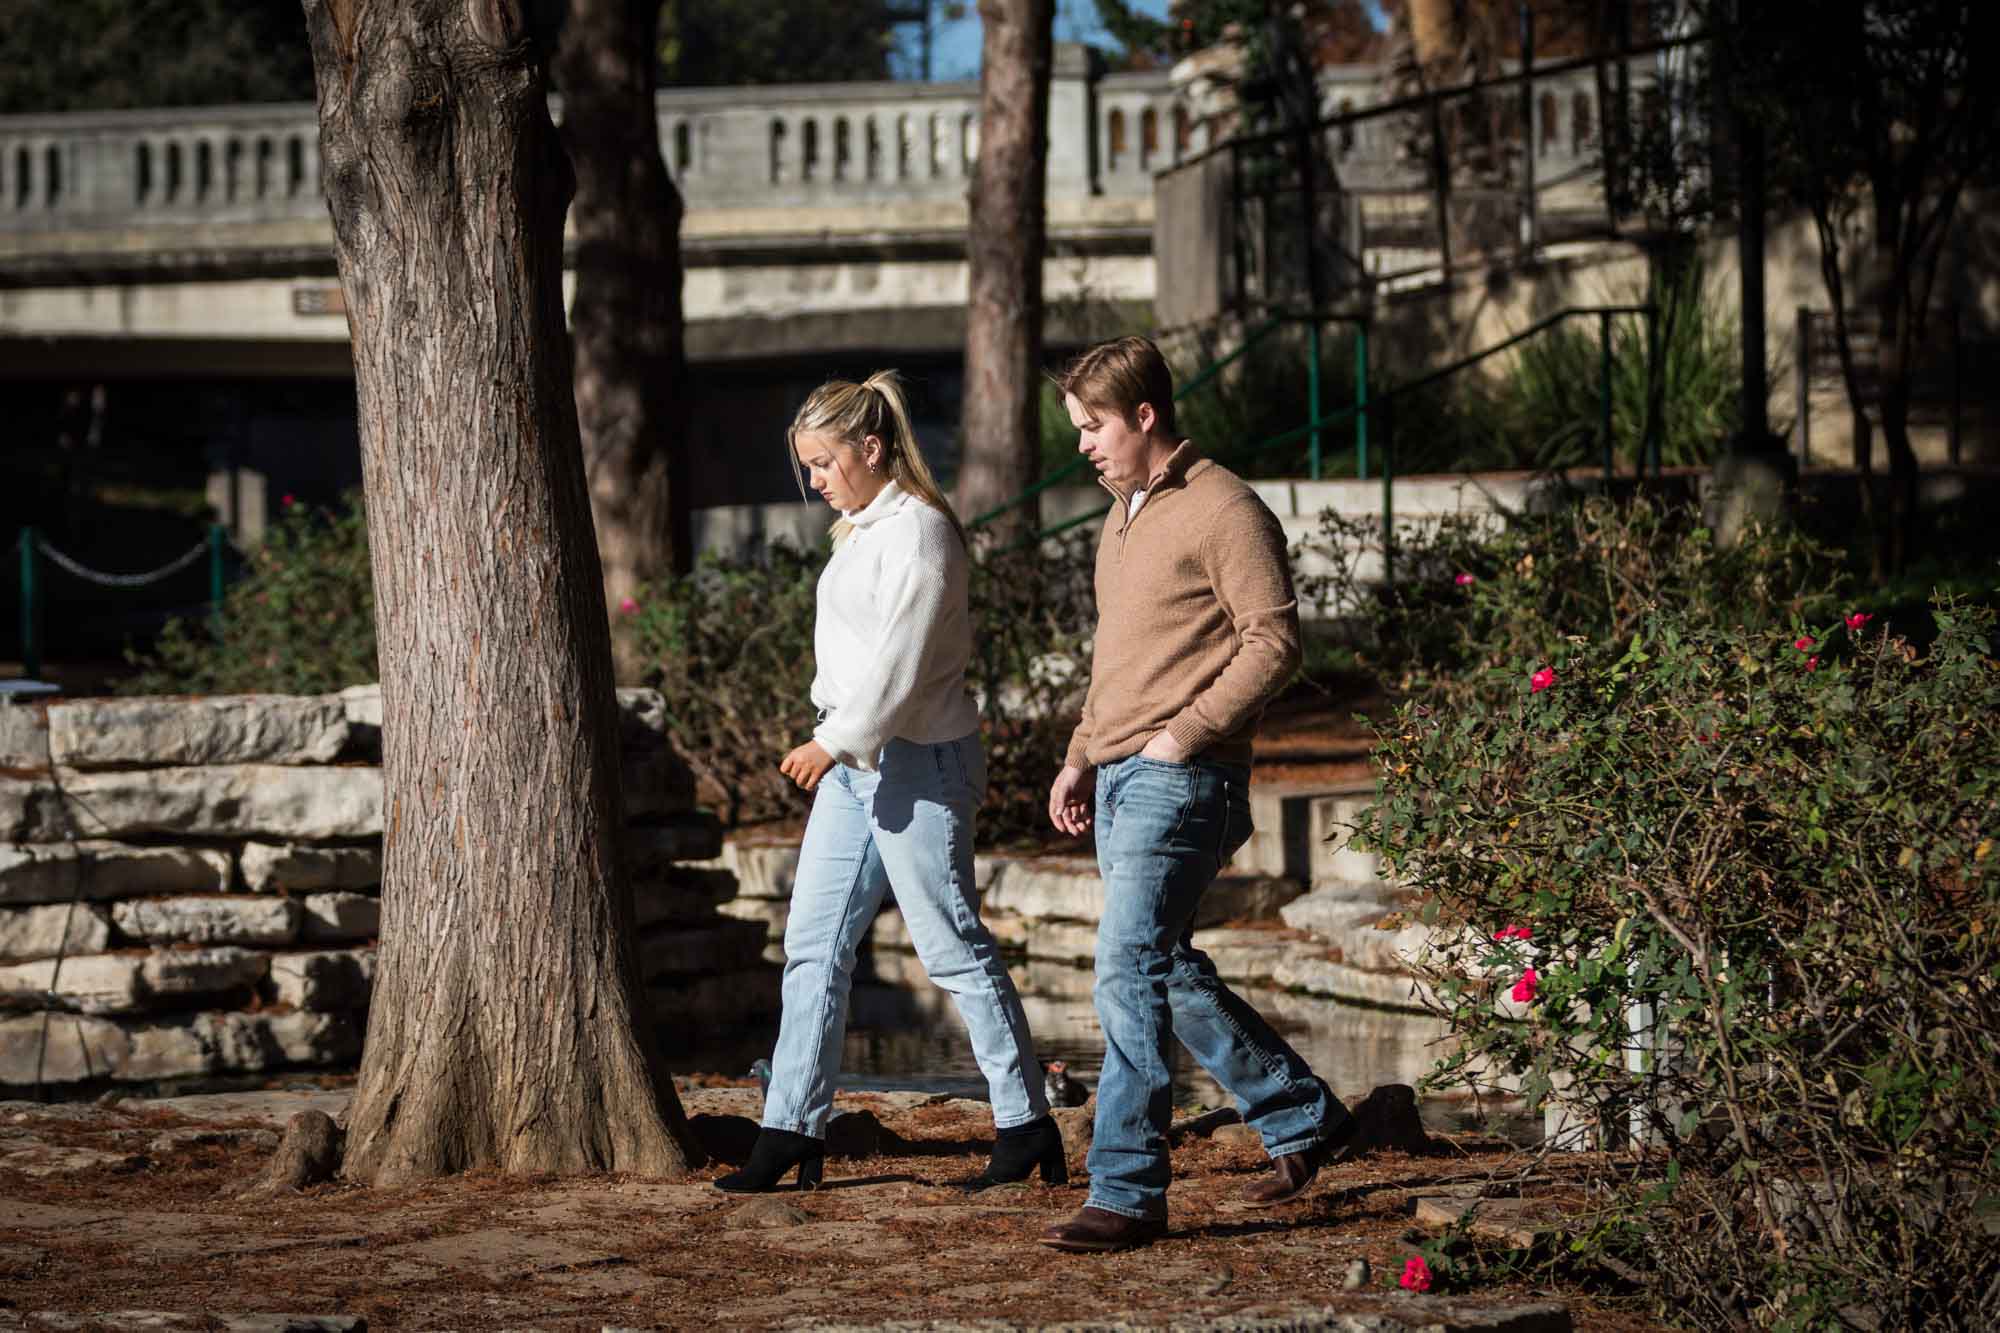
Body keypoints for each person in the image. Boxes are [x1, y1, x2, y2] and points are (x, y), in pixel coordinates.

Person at [1038, 336, 1354, 1252]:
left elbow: (1274, 641)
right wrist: (1079, 753)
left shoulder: (1225, 507)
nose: (1084, 446)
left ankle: (1128, 1189)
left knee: (1124, 968)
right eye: (1076, 430)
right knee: (1160, 965)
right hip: (1123, 772)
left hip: (1185, 777)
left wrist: (1184, 735)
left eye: (1093, 427)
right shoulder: (1122, 512)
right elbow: (1120, 659)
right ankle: (1303, 1114)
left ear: (1144, 417)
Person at [715, 370, 1065, 1194]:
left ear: (872, 449)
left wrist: (832, 741)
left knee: (949, 947)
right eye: (808, 465)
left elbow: (901, 665)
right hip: (854, 767)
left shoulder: (920, 534)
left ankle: (1026, 1120)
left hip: (915, 761)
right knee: (811, 947)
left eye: (826, 461)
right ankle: (790, 1128)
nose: (815, 479)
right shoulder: (862, 527)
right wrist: (837, 742)